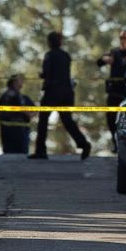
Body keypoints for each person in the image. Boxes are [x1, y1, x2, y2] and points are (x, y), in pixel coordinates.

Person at [31, 32, 91, 160]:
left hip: (53, 91)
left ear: (49, 42)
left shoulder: (49, 55)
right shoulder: (66, 56)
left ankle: (40, 150)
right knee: (67, 120)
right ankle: (84, 144)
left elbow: (47, 73)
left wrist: (42, 75)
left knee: (43, 119)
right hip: (67, 92)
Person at [97, 29, 126, 145]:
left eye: (125, 38)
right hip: (114, 91)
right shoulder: (114, 52)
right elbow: (99, 62)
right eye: (121, 38)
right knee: (110, 117)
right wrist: (105, 59)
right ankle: (115, 142)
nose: (122, 40)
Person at [0, 74, 36, 154]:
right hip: (8, 132)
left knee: (22, 156)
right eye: (16, 81)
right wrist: (4, 106)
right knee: (9, 156)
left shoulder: (24, 98)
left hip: (22, 130)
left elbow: (33, 113)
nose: (18, 84)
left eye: (19, 82)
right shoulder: (4, 98)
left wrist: (22, 108)